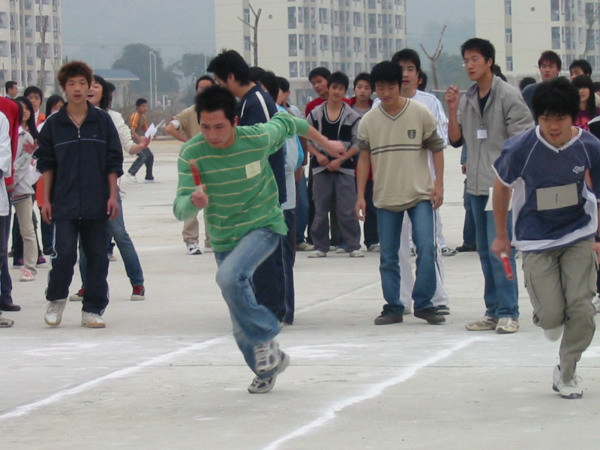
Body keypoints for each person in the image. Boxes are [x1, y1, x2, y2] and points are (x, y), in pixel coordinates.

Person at [173, 85, 344, 393]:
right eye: (205, 127)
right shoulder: (192, 153)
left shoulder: (257, 137)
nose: (212, 135)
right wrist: (192, 202)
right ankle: (267, 366)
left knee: (228, 278)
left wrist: (325, 143)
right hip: (224, 235)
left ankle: (266, 334)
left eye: (219, 127)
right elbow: (180, 207)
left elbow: (291, 122)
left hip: (263, 225)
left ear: (235, 122)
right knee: (239, 318)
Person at [491, 77, 600, 398]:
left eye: (560, 118)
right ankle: (549, 315)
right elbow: (501, 187)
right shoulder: (521, 148)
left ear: (573, 117)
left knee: (582, 310)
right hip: (536, 239)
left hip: (578, 232)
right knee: (552, 318)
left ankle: (567, 372)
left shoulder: (590, 146)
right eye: (546, 118)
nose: (553, 126)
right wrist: (501, 235)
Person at [445, 37, 534, 334]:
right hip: (475, 187)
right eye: (466, 60)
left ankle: (509, 311)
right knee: (484, 253)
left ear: (489, 62)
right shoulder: (468, 97)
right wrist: (452, 109)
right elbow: (455, 139)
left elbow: (522, 140)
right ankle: (493, 311)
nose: (469, 65)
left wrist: (509, 177)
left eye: (475, 59)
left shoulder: (508, 95)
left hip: (501, 187)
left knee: (502, 252)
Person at [355, 61, 446, 326]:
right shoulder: (369, 121)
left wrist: (439, 184)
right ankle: (393, 305)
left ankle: (425, 303)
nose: (385, 93)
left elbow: (437, 149)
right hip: (386, 196)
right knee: (389, 255)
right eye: (380, 88)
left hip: (420, 194)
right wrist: (360, 196)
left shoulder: (420, 113)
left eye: (390, 87)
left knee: (426, 246)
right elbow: (363, 159)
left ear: (400, 85)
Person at [36, 61, 123, 328]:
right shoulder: (54, 124)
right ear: (63, 88)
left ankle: (93, 309)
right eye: (71, 83)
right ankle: (56, 299)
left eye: (82, 83)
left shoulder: (102, 121)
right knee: (64, 254)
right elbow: (47, 165)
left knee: (97, 256)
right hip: (64, 201)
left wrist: (112, 195)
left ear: (89, 87)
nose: (77, 88)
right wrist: (46, 200)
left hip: (98, 200)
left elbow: (113, 161)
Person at [207, 50, 287, 324]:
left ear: (231, 77)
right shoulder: (246, 103)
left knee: (264, 259)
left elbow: (262, 148)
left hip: (263, 194)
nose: (219, 87)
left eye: (220, 81)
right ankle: (258, 310)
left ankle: (271, 312)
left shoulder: (257, 102)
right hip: (251, 194)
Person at [69, 74, 147, 303]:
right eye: (86, 85)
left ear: (103, 92)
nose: (90, 89)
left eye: (95, 86)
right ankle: (87, 286)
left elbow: (127, 144)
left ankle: (137, 283)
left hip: (106, 189)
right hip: (80, 189)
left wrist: (139, 146)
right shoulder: (71, 117)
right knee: (84, 241)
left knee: (119, 234)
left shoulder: (112, 117)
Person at [306, 71, 362, 258]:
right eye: (334, 87)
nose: (336, 92)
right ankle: (320, 246)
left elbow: (357, 144)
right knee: (320, 209)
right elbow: (307, 138)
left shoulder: (353, 116)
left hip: (345, 169)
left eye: (341, 88)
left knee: (346, 209)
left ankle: (352, 245)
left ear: (345, 91)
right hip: (320, 168)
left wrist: (340, 159)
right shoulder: (315, 114)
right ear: (328, 89)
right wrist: (317, 155)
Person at [165, 75, 216, 255]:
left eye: (208, 88)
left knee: (213, 201)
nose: (205, 91)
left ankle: (211, 239)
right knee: (192, 200)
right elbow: (170, 127)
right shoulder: (189, 113)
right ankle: (191, 240)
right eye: (201, 88)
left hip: (213, 162)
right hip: (194, 164)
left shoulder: (219, 111)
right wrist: (187, 142)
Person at [348, 73, 378, 252]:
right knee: (349, 203)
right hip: (350, 163)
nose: (362, 91)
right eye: (359, 87)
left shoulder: (377, 109)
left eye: (367, 88)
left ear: (372, 91)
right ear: (354, 89)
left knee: (371, 203)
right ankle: (349, 241)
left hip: (372, 165)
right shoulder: (347, 108)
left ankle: (372, 240)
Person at [12, 96, 40, 281]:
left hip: (20, 188)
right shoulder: (7, 132)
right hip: (4, 188)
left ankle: (30, 267)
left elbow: (23, 164)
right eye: (20, 108)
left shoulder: (27, 137)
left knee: (27, 230)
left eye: (27, 108)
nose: (24, 112)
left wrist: (11, 180)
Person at [522, 51, 562, 115]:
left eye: (551, 67)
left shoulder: (564, 92)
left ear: (558, 70)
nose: (547, 70)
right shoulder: (529, 91)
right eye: (544, 66)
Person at [127, 98, 154, 182]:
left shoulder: (143, 117)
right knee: (143, 155)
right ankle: (131, 172)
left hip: (139, 141)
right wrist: (139, 140)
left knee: (150, 156)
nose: (145, 108)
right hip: (133, 140)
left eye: (146, 106)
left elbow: (145, 129)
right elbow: (132, 130)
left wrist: (152, 133)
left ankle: (149, 176)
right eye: (143, 106)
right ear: (138, 107)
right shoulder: (135, 116)